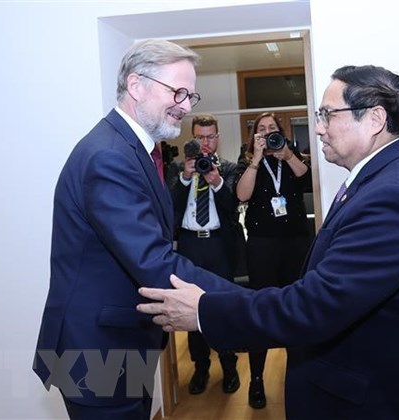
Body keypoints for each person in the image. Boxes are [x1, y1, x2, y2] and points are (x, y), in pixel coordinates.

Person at [137, 65, 399, 419]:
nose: (318, 127)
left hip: (378, 402)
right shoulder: (380, 181)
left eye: (327, 114)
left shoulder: (393, 196)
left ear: (375, 119)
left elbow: (313, 307)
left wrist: (203, 311)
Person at [32, 39, 241, 419]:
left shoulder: (130, 149)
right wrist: (250, 304)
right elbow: (154, 262)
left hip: (119, 341)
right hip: (95, 351)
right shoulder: (110, 156)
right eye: (178, 92)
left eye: (191, 94)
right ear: (136, 85)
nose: (188, 106)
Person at [234, 112, 312, 409]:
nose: (268, 133)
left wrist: (288, 154)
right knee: (261, 309)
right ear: (254, 135)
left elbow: (307, 181)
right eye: (262, 129)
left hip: (295, 243)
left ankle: (297, 375)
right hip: (262, 245)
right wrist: (256, 158)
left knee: (296, 308)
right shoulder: (247, 162)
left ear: (282, 131)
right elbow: (242, 195)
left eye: (273, 129)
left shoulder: (294, 158)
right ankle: (256, 379)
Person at [169, 114, 242, 395]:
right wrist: (187, 177)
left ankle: (229, 365)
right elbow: (169, 206)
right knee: (189, 308)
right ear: (192, 138)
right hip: (189, 246)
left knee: (223, 307)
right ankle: (200, 368)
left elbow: (233, 205)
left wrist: (215, 180)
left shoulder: (228, 168)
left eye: (211, 136)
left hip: (219, 246)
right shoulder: (178, 168)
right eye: (200, 137)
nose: (206, 143)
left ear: (218, 137)